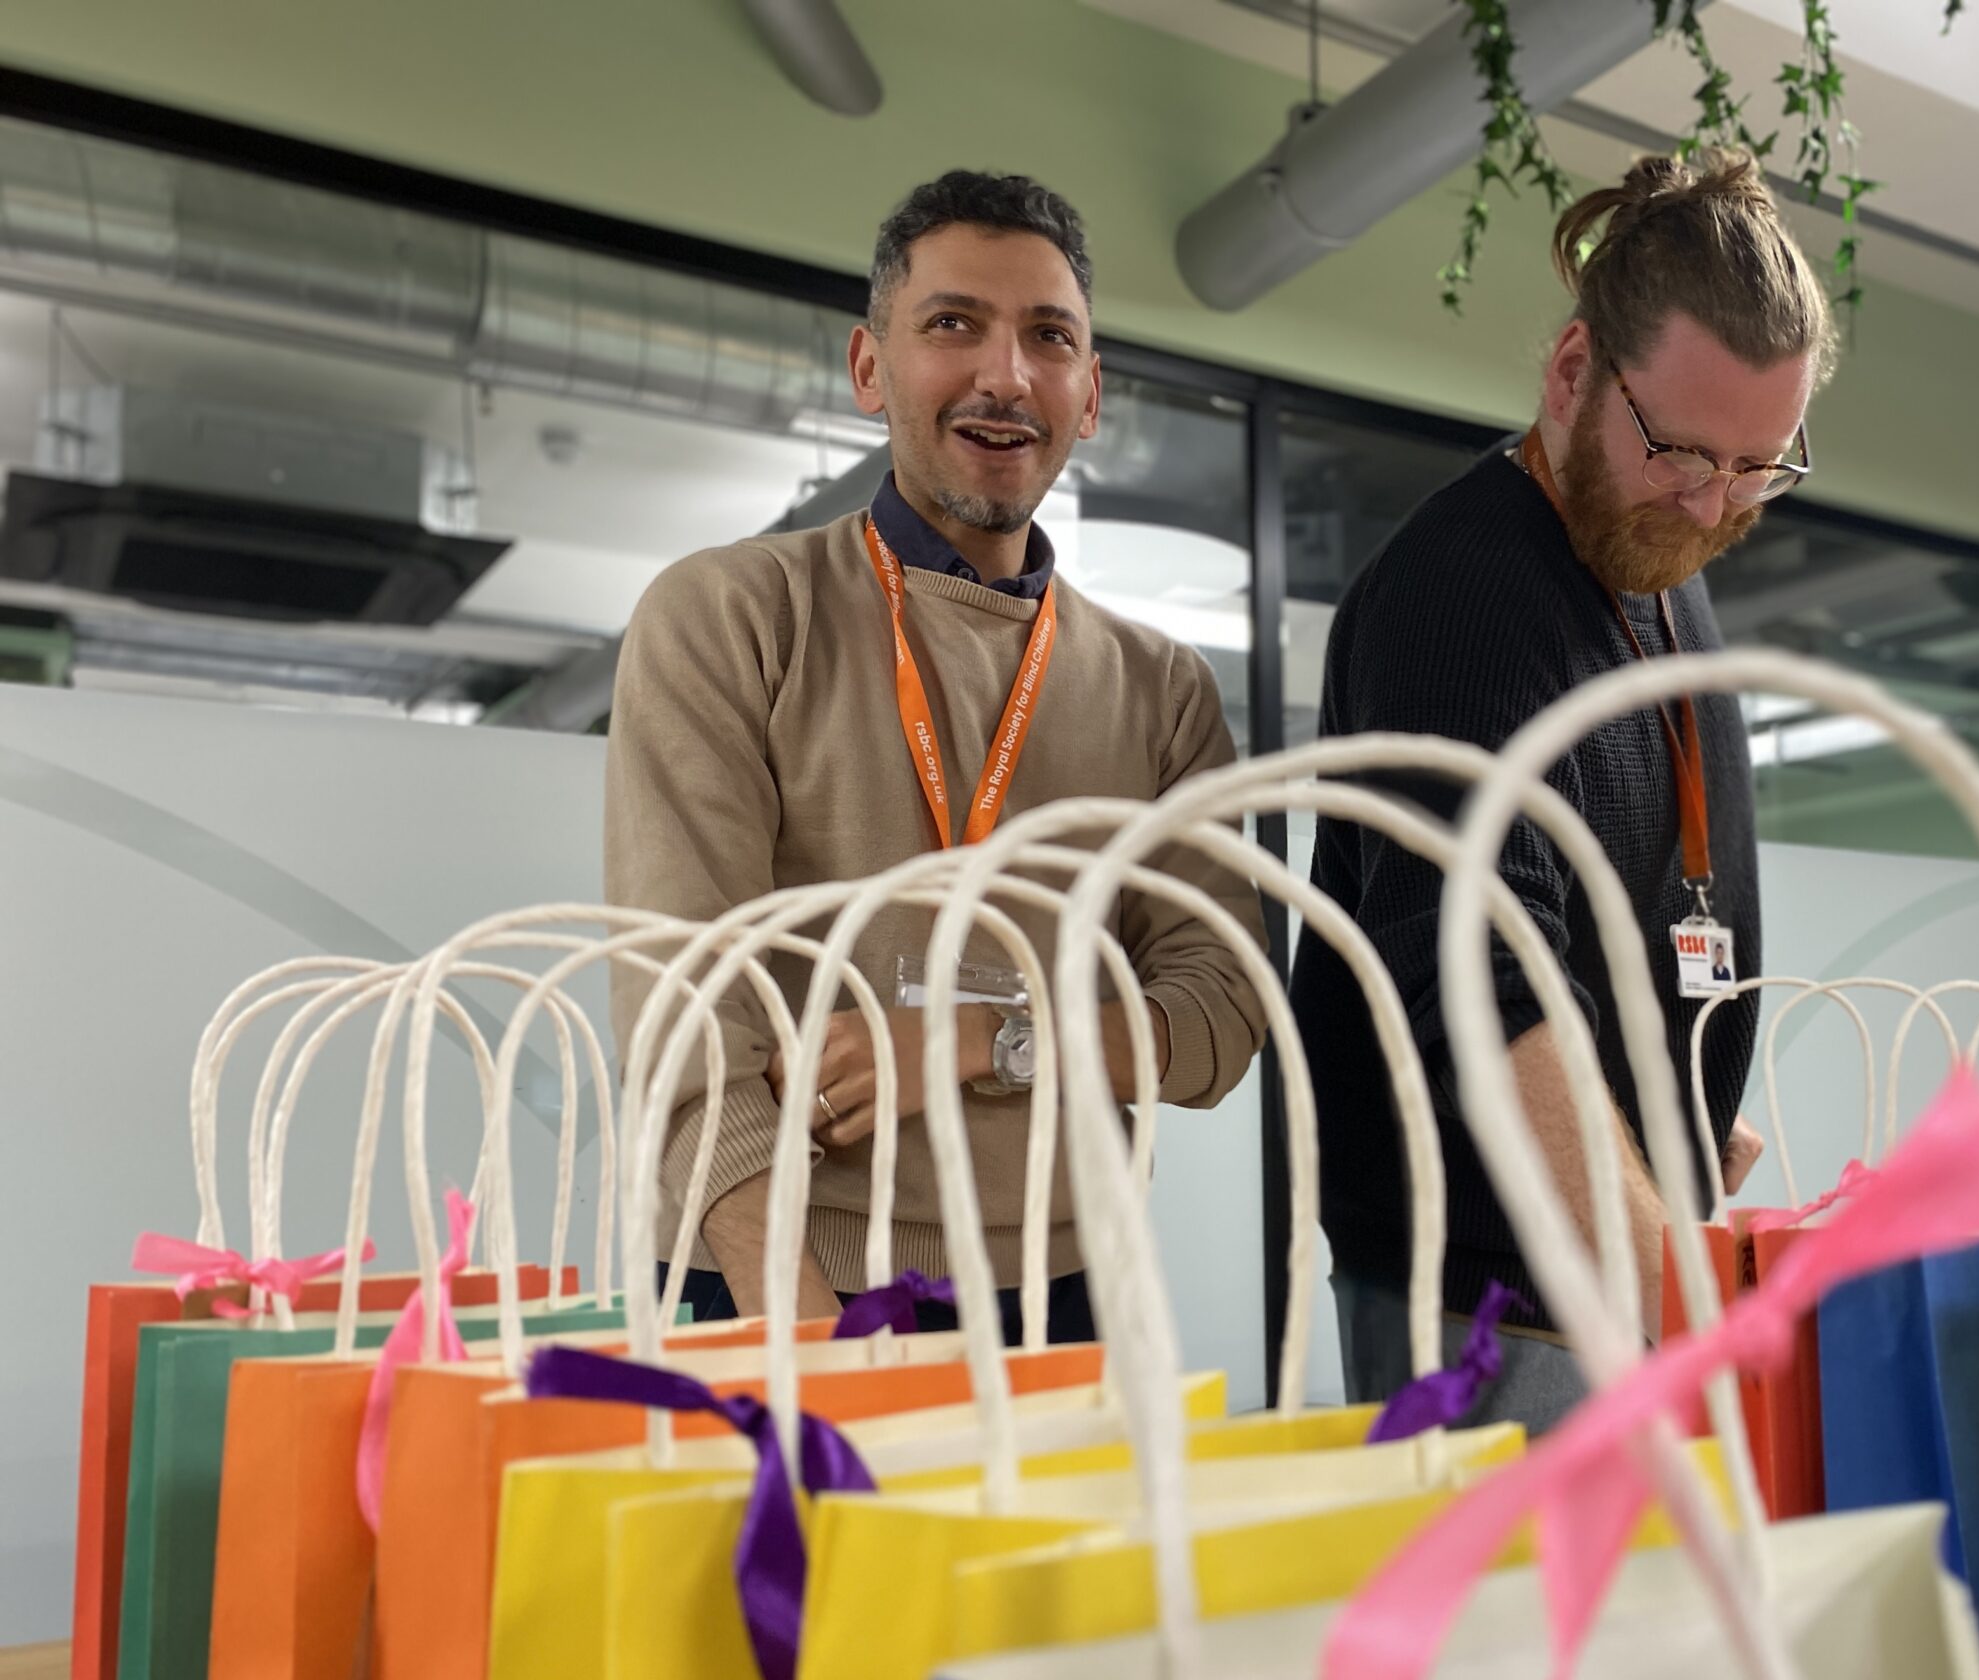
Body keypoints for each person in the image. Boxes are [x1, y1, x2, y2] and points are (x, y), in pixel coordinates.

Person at [605, 169, 1267, 1340]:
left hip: (1067, 1290)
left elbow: (1218, 1022)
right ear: (871, 368)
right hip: (776, 1280)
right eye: (953, 324)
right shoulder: (732, 615)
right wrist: (809, 1343)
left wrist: (977, 1042)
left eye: (1047, 337)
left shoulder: (1161, 690)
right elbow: (687, 1019)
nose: (1005, 374)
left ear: (1091, 392)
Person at [1292, 149, 1834, 1431]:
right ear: (1572, 371)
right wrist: (1692, 1304)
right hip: (1501, 1303)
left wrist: (1677, 1128)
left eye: (1760, 467)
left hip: (1624, 1255)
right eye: (1682, 452)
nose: (1711, 506)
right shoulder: (1458, 599)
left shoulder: (1654, 555)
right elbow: (1489, 989)